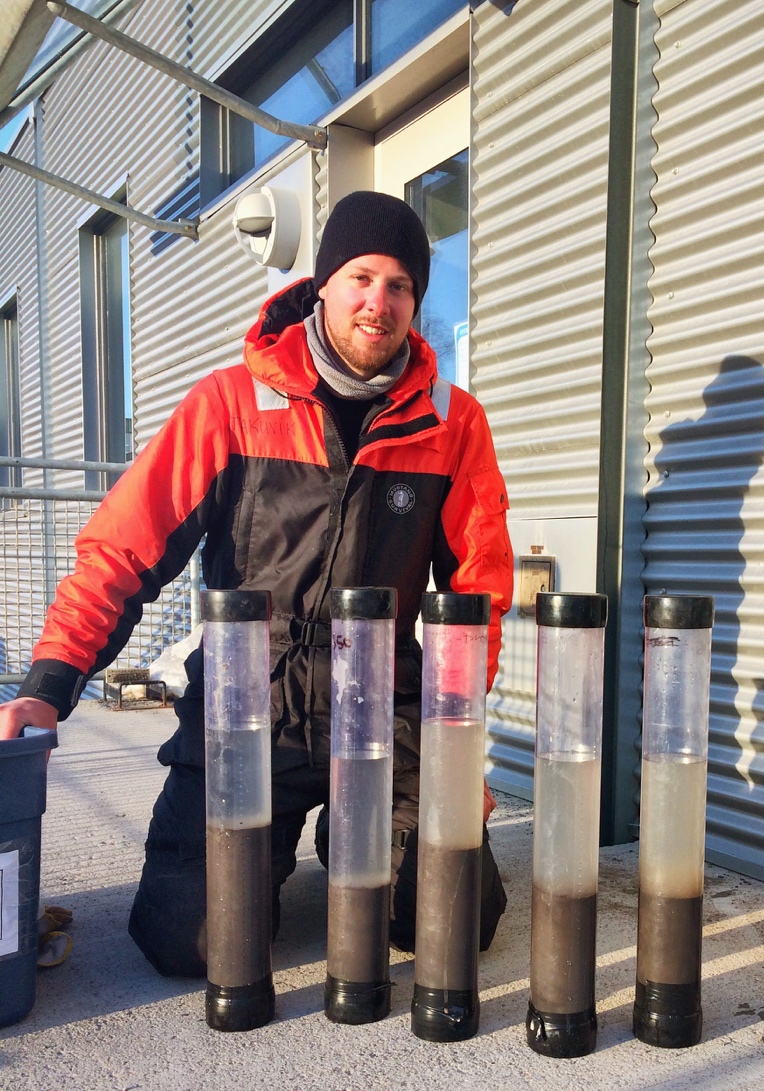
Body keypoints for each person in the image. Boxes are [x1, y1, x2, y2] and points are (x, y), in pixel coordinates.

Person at [0, 191, 514, 977]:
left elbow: (480, 596)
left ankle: (361, 830)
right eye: (361, 277)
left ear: (415, 301)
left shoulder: (453, 422)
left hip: (386, 715)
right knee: (193, 939)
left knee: (451, 917)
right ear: (323, 283)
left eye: (400, 285)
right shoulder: (229, 404)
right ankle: (288, 839)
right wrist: (48, 685)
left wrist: (456, 744)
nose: (378, 302)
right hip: (249, 713)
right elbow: (122, 551)